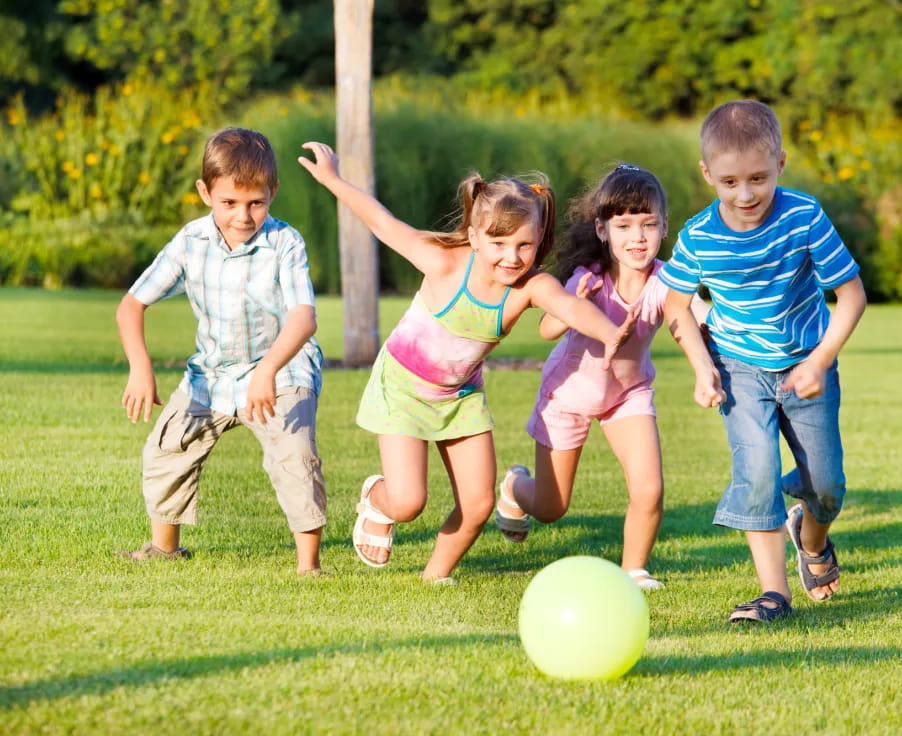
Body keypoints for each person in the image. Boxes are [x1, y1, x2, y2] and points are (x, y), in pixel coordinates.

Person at [298, 141, 636, 583]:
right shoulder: (442, 262)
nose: (511, 257)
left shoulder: (528, 287)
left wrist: (610, 332)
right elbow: (382, 222)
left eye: (524, 245)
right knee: (408, 501)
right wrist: (333, 180)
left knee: (477, 505)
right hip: (402, 389)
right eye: (498, 243)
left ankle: (434, 577)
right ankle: (379, 501)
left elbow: (568, 306)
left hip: (460, 397)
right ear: (475, 236)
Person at [659, 100, 866, 622]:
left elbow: (852, 294)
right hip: (740, 370)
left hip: (805, 366)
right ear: (708, 174)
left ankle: (811, 538)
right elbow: (675, 304)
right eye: (729, 182)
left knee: (827, 485)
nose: (745, 194)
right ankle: (774, 593)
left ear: (781, 163)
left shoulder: (803, 216)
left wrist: (820, 361)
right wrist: (703, 367)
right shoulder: (699, 236)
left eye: (758, 177)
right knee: (756, 472)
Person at [115, 127, 329, 575]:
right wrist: (140, 367)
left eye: (256, 202)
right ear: (205, 192)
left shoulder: (285, 244)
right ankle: (164, 549)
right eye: (229, 202)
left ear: (273, 192)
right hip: (211, 375)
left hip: (281, 370)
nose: (243, 216)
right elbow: (132, 304)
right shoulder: (191, 241)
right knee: (168, 447)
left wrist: (269, 369)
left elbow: (303, 317)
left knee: (294, 455)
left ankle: (309, 567)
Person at [494, 164, 709, 591]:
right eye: (624, 225)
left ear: (665, 226)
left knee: (649, 489)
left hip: (627, 395)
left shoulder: (667, 280)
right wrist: (572, 302)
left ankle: (634, 570)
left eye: (648, 224)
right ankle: (515, 486)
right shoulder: (588, 278)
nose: (638, 237)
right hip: (567, 395)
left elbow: (694, 317)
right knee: (551, 507)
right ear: (602, 228)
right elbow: (547, 330)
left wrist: (714, 355)